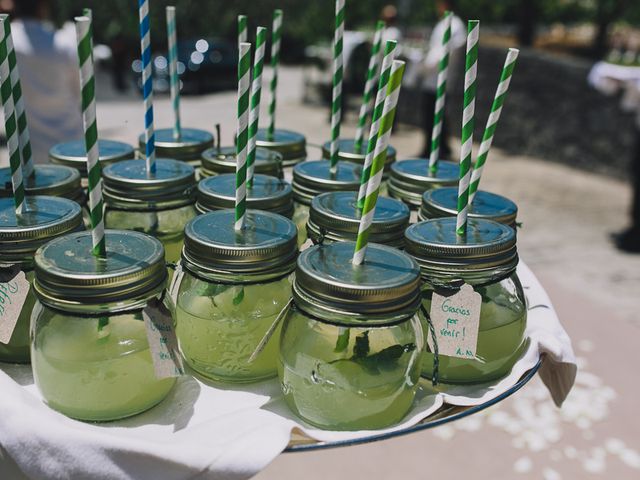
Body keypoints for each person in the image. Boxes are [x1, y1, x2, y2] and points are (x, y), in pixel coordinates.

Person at [10, 0, 82, 163]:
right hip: (71, 141)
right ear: (43, 6)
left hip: (30, 148)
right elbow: (78, 91)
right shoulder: (64, 42)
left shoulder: (6, 42)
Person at [419, 0, 466, 159]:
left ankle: (436, 150)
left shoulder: (456, 25)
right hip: (431, 76)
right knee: (431, 114)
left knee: (437, 114)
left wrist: (430, 64)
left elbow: (449, 50)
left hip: (442, 75)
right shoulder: (442, 24)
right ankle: (437, 148)